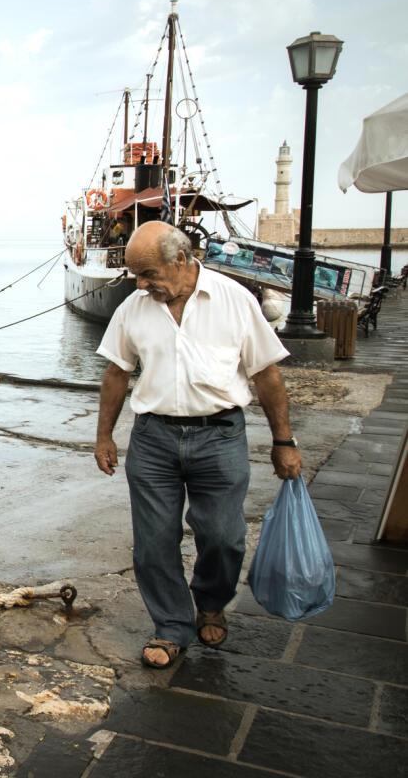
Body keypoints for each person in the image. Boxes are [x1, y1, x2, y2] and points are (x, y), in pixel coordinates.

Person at [94, 222, 302, 669]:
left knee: (224, 537)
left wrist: (283, 441)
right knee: (153, 543)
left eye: (148, 273)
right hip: (153, 438)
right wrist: (104, 435)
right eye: (136, 274)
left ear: (182, 259)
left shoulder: (235, 300)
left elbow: (266, 373)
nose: (141, 283)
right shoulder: (134, 308)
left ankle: (210, 602)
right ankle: (171, 626)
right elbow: (116, 374)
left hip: (220, 435)